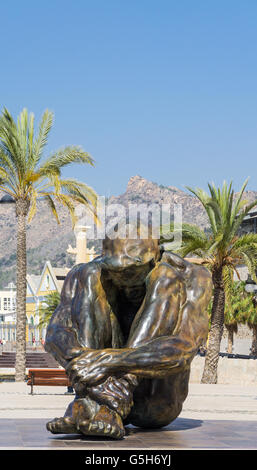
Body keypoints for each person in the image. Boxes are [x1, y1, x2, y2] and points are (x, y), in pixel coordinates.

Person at [45, 224, 212, 439]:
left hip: (155, 403)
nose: (125, 279)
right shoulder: (90, 272)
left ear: (156, 256)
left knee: (166, 279)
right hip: (99, 389)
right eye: (116, 270)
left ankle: (105, 404)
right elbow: (55, 334)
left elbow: (183, 349)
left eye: (133, 270)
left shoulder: (192, 278)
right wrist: (94, 381)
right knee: (89, 274)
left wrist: (108, 362)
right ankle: (93, 406)